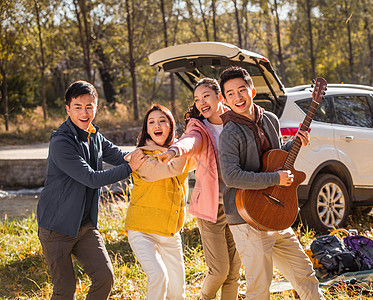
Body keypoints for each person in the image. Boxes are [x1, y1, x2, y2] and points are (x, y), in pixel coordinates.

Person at [217, 67, 324, 300]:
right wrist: (276, 179)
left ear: (252, 91)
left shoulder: (270, 120)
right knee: (259, 288)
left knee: (304, 274)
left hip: (276, 214)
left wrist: (296, 143)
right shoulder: (229, 133)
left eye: (241, 90)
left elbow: (274, 158)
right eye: (231, 94)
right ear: (224, 100)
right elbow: (231, 177)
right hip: (246, 218)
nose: (238, 97)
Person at [37, 80, 146, 300]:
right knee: (65, 289)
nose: (84, 112)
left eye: (89, 106)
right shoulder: (61, 142)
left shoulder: (93, 134)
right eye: (78, 107)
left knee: (105, 278)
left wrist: (148, 153)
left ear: (96, 107)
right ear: (68, 109)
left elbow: (119, 155)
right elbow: (91, 179)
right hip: (56, 228)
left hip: (84, 226)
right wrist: (129, 168)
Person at [155, 78, 241, 300]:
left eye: (206, 96)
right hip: (210, 208)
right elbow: (189, 142)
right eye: (196, 99)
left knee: (233, 273)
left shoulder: (237, 122)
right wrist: (174, 151)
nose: (201, 102)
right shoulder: (199, 128)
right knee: (220, 270)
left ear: (220, 97)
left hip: (239, 205)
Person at [124, 104, 195, 300]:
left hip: (170, 232)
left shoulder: (178, 151)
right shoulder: (140, 156)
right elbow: (169, 170)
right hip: (142, 230)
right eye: (151, 122)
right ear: (146, 129)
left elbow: (202, 154)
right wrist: (181, 149)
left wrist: (195, 131)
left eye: (162, 121)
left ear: (171, 125)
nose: (157, 125)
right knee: (158, 276)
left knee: (177, 292)